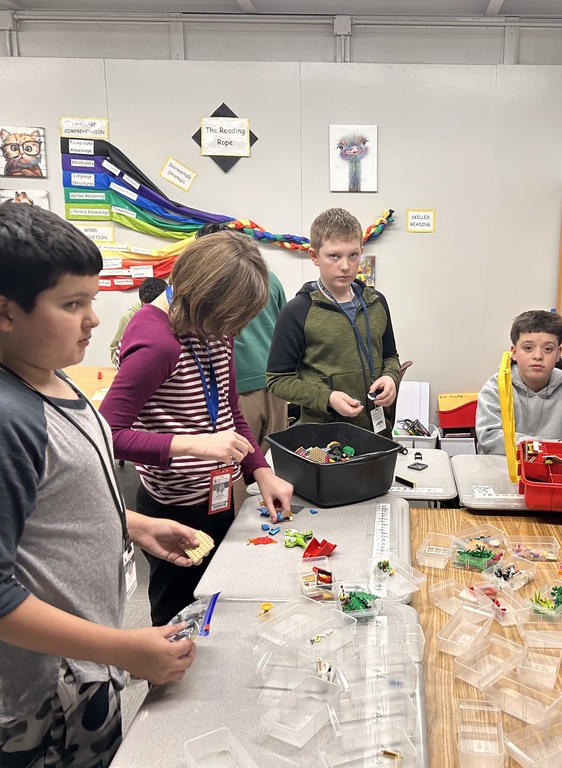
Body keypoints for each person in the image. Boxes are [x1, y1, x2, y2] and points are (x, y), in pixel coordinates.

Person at [0, 203, 198, 768]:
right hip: (42, 684)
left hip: (82, 656)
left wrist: (135, 524)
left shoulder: (46, 374)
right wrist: (125, 649)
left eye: (92, 300)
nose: (94, 319)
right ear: (2, 312)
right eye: (73, 304)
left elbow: (47, 497)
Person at [101, 231, 294, 626]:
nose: (233, 332)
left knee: (218, 610)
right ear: (200, 298)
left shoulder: (212, 330)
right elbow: (106, 436)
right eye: (229, 320)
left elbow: (229, 411)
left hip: (215, 498)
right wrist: (197, 446)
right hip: (173, 512)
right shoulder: (158, 344)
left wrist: (261, 471)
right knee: (178, 622)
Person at [266, 207, 401, 435]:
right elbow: (278, 380)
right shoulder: (297, 311)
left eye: (353, 255)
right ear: (314, 256)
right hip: (324, 438)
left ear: (361, 251)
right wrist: (326, 398)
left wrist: (391, 377)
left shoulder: (377, 302)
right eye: (334, 256)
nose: (346, 266)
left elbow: (390, 356)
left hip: (378, 433)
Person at [196, 223, 288, 458]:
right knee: (277, 464)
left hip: (240, 385)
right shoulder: (271, 278)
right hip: (276, 382)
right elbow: (284, 327)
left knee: (238, 465)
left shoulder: (211, 283)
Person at [476, 309, 562, 455]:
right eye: (528, 348)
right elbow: (490, 441)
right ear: (514, 352)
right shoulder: (495, 389)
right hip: (501, 472)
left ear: (558, 353)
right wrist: (554, 447)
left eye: (547, 349)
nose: (538, 356)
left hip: (556, 475)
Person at [110, 276, 167, 365]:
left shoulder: (172, 316)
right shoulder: (129, 317)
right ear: (141, 301)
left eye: (156, 308)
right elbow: (114, 351)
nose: (152, 313)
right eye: (147, 307)